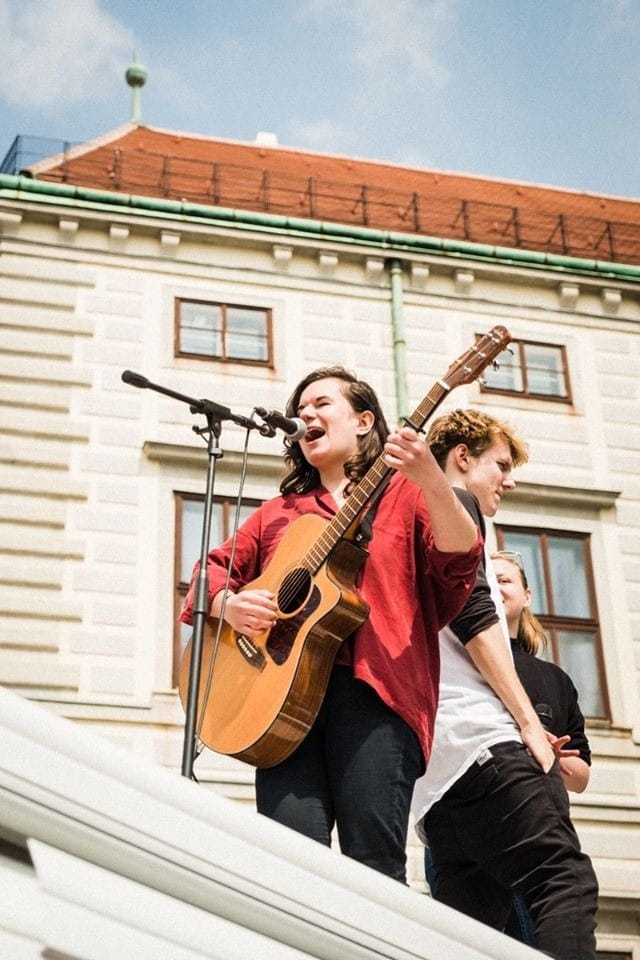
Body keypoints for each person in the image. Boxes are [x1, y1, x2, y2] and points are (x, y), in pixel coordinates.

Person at [180, 366, 482, 883]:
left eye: (321, 404)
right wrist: (228, 603)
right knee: (290, 866)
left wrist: (432, 478)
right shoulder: (280, 512)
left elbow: (459, 560)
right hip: (278, 700)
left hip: (375, 690)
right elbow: (210, 570)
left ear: (365, 421)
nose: (305, 415)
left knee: (373, 863)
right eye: (300, 410)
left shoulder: (408, 495)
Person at [412, 408, 599, 960]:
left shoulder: (411, 519)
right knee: (564, 882)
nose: (509, 480)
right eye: (500, 464)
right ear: (462, 458)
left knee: (470, 937)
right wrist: (528, 726)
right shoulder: (462, 509)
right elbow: (473, 619)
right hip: (484, 746)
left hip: (435, 786)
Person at [488, 549, 592, 943]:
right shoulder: (457, 659)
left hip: (540, 836)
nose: (497, 587)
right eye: (489, 578)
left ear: (527, 595)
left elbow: (581, 777)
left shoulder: (555, 680)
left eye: (506, 580)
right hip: (467, 837)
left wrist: (549, 756)